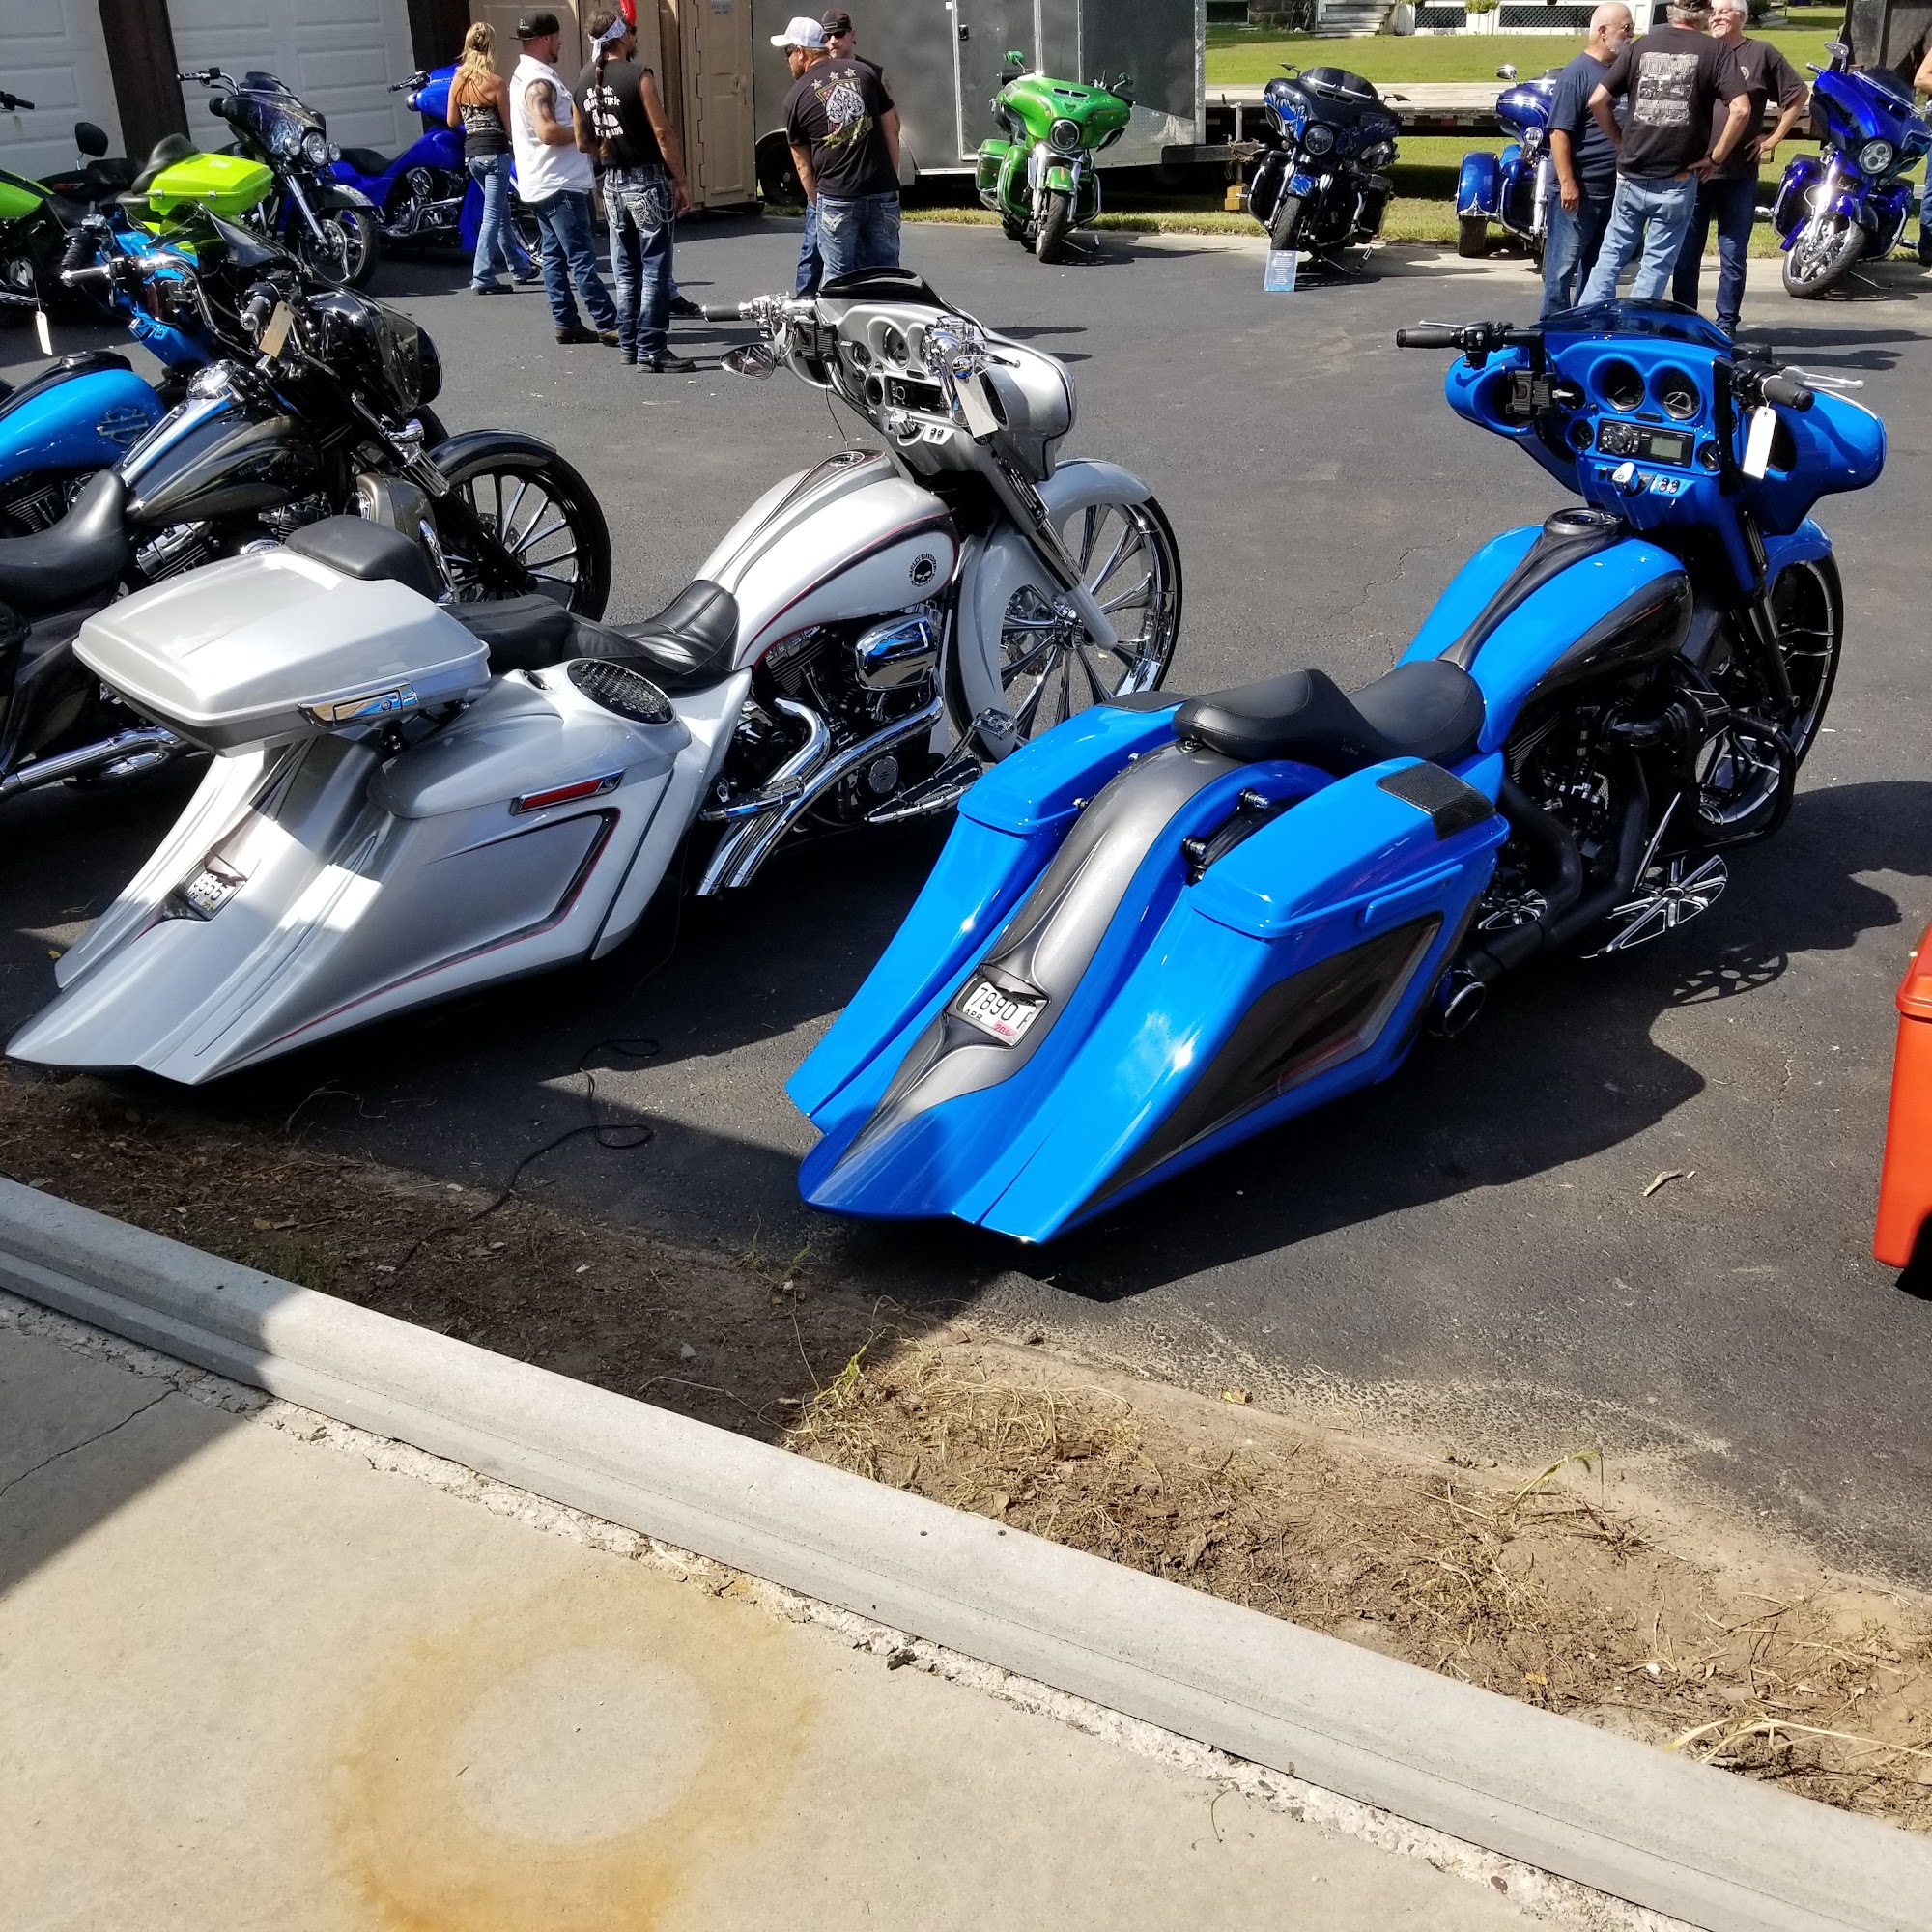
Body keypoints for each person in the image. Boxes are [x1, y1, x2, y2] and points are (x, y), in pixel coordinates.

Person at [1577, 0, 1752, 307]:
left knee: (1611, 255)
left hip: (1632, 175)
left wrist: (1620, 142)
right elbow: (1741, 109)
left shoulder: (1641, 46)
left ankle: (1589, 321)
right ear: (1704, 14)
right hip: (1678, 178)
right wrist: (1716, 158)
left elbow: (1597, 100)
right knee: (1655, 265)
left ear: (1670, 10)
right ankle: (1635, 327)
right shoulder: (1716, 51)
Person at [1671, 0, 1806, 335]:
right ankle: (1685, 324)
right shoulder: (1701, 50)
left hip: (1739, 174)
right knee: (1686, 254)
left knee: (1733, 255)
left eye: (1724, 10)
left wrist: (1774, 137)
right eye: (1713, 11)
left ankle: (1726, 325)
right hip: (1696, 170)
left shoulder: (1761, 53)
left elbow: (1797, 94)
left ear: (1741, 17)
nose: (1716, 16)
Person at [577, 9, 695, 372]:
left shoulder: (582, 80)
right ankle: (652, 347)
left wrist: (608, 147)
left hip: (611, 184)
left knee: (626, 268)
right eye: (631, 30)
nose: (635, 36)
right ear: (621, 36)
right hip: (646, 182)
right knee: (655, 267)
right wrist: (680, 179)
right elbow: (662, 133)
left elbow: (582, 141)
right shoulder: (639, 75)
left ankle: (629, 344)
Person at [508, 11, 620, 347]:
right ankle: (609, 322)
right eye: (557, 37)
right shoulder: (538, 82)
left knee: (555, 258)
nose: (560, 43)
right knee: (581, 257)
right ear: (545, 38)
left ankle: (566, 322)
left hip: (541, 181)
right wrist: (588, 133)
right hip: (560, 183)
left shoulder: (524, 74)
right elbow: (546, 131)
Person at [777, 15, 901, 280]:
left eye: (787, 52)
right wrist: (890, 177)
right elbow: (892, 128)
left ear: (801, 52)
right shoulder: (866, 73)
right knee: (887, 273)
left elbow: (802, 165)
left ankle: (834, 310)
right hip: (881, 190)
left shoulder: (795, 96)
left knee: (838, 276)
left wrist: (819, 202)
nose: (786, 60)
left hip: (836, 196)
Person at [1543, 3, 1634, 314]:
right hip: (1579, 193)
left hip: (1614, 189)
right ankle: (1552, 330)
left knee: (1598, 269)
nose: (1631, 34)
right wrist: (1568, 183)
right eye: (1626, 28)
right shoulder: (1577, 74)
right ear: (1603, 32)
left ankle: (1587, 325)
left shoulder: (1621, 72)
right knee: (1561, 270)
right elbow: (1558, 133)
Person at [445, 21, 538, 294]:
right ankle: (483, 276)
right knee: (493, 216)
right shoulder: (496, 83)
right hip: (495, 155)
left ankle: (519, 268)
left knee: (501, 211)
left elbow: (452, 120)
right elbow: (510, 126)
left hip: (472, 156)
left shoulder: (459, 79)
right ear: (491, 48)